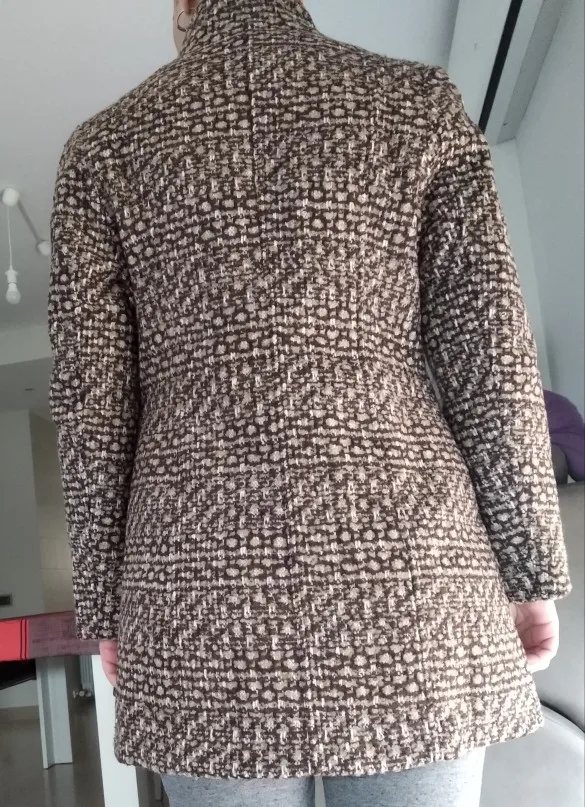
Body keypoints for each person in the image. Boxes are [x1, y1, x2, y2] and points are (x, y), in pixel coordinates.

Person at [47, 1, 572, 805]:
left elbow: (91, 409)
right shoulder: (415, 103)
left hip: (193, 592)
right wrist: (529, 569)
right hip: (414, 583)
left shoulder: (103, 149)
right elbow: (491, 360)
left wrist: (107, 601)